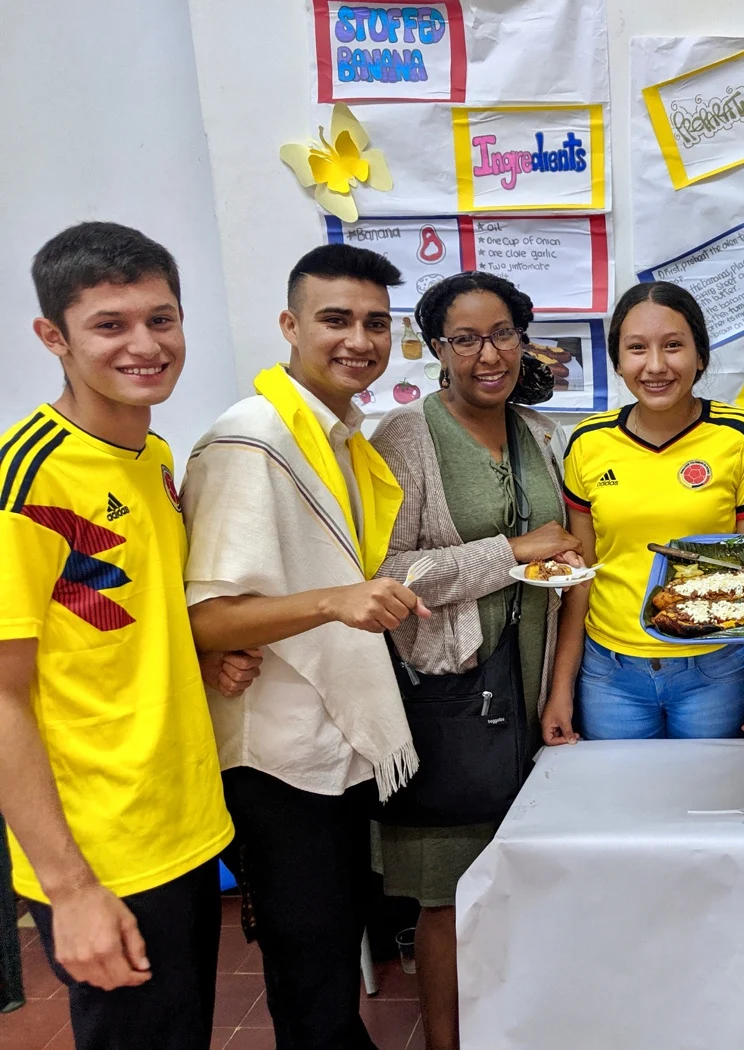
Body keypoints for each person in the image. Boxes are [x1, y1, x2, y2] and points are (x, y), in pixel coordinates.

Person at [182, 243, 428, 1049]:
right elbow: (208, 619)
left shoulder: (337, 436)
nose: (358, 339)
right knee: (310, 961)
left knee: (332, 940)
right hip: (277, 751)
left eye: (375, 323)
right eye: (335, 320)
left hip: (329, 738)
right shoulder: (249, 438)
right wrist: (333, 601)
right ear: (289, 325)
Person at [0, 222, 234, 1048]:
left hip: (183, 820)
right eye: (111, 325)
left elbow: (126, 620)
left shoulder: (153, 456)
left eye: (161, 318)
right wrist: (69, 890)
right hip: (103, 848)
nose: (146, 344)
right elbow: (2, 698)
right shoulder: (26, 482)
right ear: (53, 337)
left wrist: (207, 654)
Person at [369, 271, 582, 1050]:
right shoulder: (403, 439)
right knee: (447, 891)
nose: (487, 354)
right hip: (449, 694)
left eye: (502, 333)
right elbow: (387, 576)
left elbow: (568, 562)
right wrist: (512, 551)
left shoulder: (540, 434)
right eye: (465, 339)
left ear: (523, 338)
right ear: (437, 350)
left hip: (529, 688)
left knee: (521, 869)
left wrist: (560, 685)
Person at [544, 281, 744, 747]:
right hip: (609, 673)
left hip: (714, 666)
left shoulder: (740, 434)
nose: (655, 365)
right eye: (637, 348)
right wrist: (561, 691)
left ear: (700, 356)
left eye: (673, 345)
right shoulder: (588, 442)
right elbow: (580, 577)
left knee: (708, 808)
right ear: (618, 361)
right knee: (622, 810)